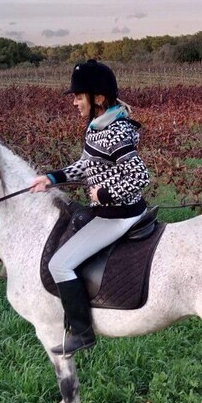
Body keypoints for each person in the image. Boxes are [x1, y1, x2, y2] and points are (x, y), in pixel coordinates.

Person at [29, 59, 150, 355]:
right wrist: (53, 178)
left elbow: (140, 175)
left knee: (59, 263)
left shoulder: (115, 130)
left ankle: (82, 332)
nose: (74, 102)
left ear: (98, 98)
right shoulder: (97, 126)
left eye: (78, 96)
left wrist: (106, 193)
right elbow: (86, 165)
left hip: (118, 215)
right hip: (105, 211)